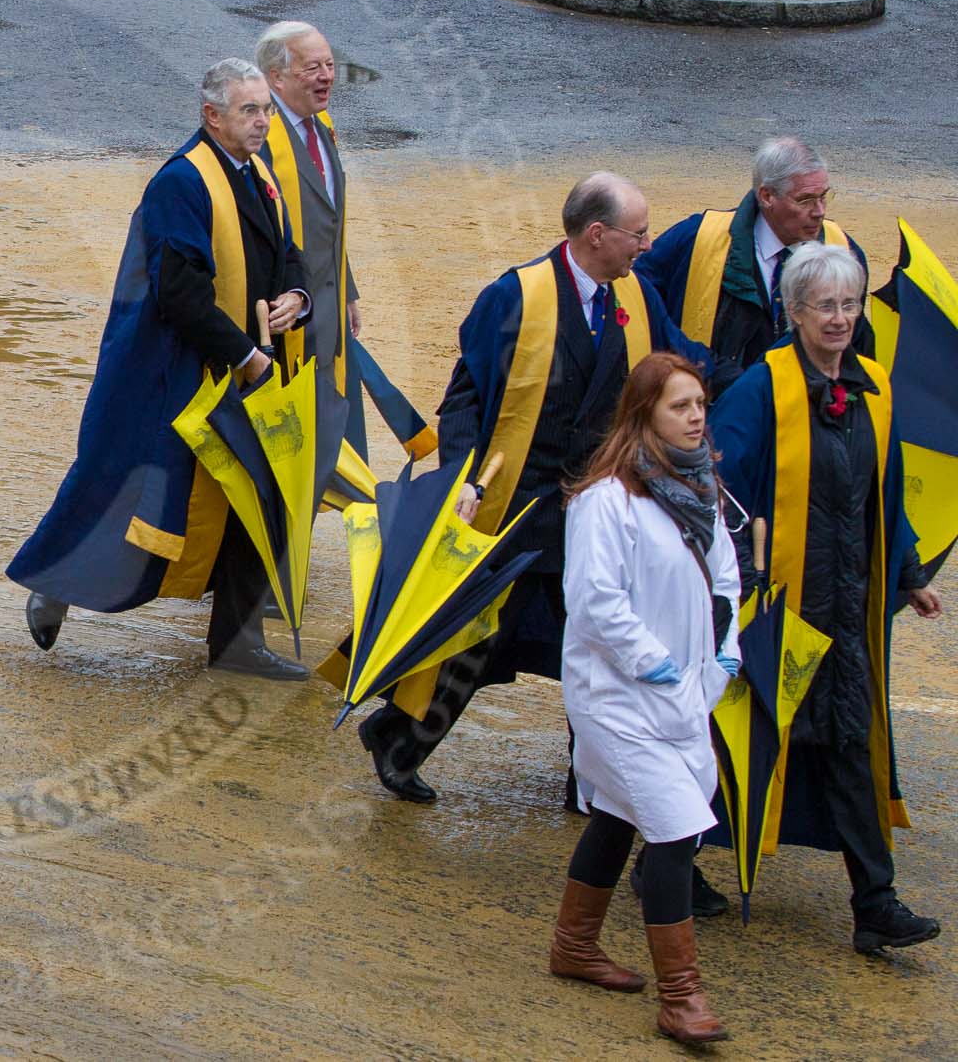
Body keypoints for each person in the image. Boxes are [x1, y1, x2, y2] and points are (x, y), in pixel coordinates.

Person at [354, 173, 703, 804]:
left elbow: (682, 366)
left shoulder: (638, 298)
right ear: (596, 234)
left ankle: (590, 781)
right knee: (479, 639)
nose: (648, 245)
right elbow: (466, 396)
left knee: (599, 647)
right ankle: (398, 736)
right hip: (516, 504)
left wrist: (762, 372)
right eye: (638, 233)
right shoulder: (514, 296)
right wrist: (461, 480)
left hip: (596, 508)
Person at [7, 59, 313, 681]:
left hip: (241, 367)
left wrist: (296, 298)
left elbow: (287, 253)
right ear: (212, 116)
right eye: (250, 110)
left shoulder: (256, 173)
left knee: (258, 498)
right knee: (132, 496)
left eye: (266, 109)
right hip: (178, 373)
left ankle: (237, 643)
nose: (263, 121)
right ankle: (56, 582)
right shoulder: (182, 182)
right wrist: (248, 355)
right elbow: (178, 294)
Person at [713, 242, 944, 954]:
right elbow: (719, 488)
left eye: (849, 304)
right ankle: (662, 860)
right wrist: (737, 586)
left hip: (848, 605)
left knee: (848, 738)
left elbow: (887, 492)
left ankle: (875, 903)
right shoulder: (761, 388)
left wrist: (909, 572)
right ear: (794, 311)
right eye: (825, 306)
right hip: (781, 603)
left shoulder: (873, 387)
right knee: (745, 736)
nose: (840, 318)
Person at [549, 353, 739, 1044]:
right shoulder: (606, 501)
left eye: (700, 405)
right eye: (679, 406)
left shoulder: (703, 490)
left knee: (617, 817)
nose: (696, 418)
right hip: (617, 699)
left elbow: (725, 581)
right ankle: (682, 997)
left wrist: (723, 656)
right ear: (644, 414)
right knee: (675, 830)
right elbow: (594, 602)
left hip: (684, 696)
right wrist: (656, 665)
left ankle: (574, 946)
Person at [637, 137, 869, 400]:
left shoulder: (844, 252)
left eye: (823, 197)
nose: (819, 211)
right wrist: (707, 368)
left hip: (806, 411)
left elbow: (857, 349)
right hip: (711, 408)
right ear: (767, 196)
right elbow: (637, 298)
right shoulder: (697, 239)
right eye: (804, 200)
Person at [254, 21, 362, 452]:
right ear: (276, 77)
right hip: (284, 316)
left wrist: (346, 289)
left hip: (327, 313)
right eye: (313, 68)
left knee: (328, 437)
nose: (326, 77)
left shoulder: (321, 126)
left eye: (330, 65)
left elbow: (329, 219)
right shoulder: (259, 138)